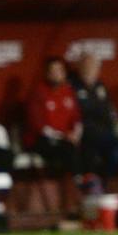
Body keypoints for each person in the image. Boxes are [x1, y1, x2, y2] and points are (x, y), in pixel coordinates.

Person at [70, 54, 118, 198]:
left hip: (104, 134)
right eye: (87, 67)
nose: (90, 71)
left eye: (93, 67)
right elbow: (82, 113)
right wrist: (96, 112)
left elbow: (108, 111)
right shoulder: (72, 87)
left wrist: (100, 113)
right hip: (85, 135)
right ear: (80, 68)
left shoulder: (100, 86)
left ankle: (106, 183)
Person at [25, 57, 82, 216]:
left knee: (85, 149)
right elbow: (40, 127)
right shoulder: (38, 93)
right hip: (41, 141)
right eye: (53, 71)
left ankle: (88, 195)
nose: (57, 74)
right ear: (47, 73)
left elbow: (77, 118)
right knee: (69, 152)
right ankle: (75, 199)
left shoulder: (68, 90)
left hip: (67, 141)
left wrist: (75, 134)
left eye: (60, 71)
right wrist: (65, 136)